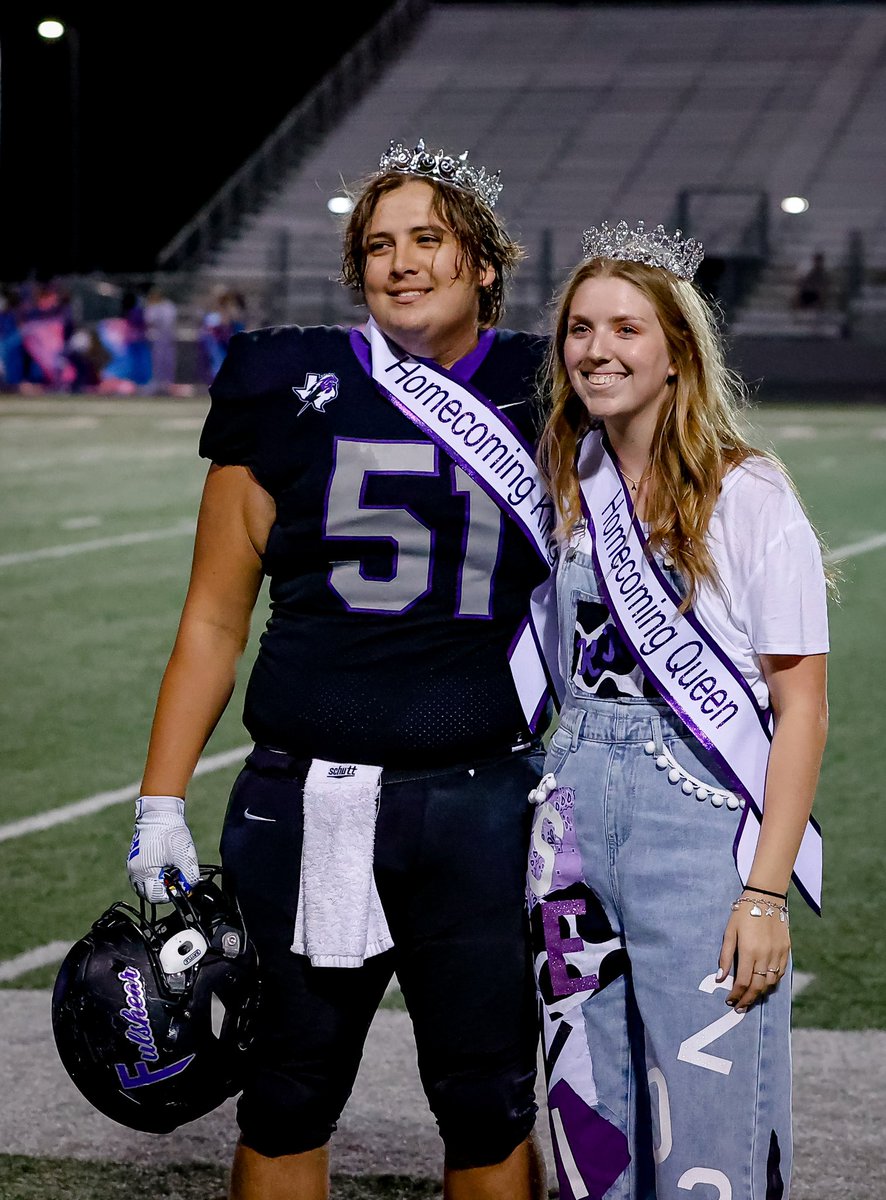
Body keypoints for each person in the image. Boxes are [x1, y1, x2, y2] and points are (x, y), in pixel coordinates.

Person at [124, 137, 559, 1200]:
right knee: (285, 1089)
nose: (401, 262)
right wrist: (160, 801)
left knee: (487, 1097)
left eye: (428, 239)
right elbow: (216, 618)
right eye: (377, 245)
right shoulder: (287, 380)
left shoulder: (551, 384)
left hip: (481, 799)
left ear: (483, 262)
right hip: (306, 798)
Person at [527, 220, 831, 1198]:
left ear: (675, 355)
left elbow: (802, 708)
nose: (596, 350)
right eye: (579, 328)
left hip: (697, 830)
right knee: (586, 1123)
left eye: (624, 328)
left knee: (711, 1134)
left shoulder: (748, 493)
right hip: (567, 827)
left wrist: (764, 893)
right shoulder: (571, 483)